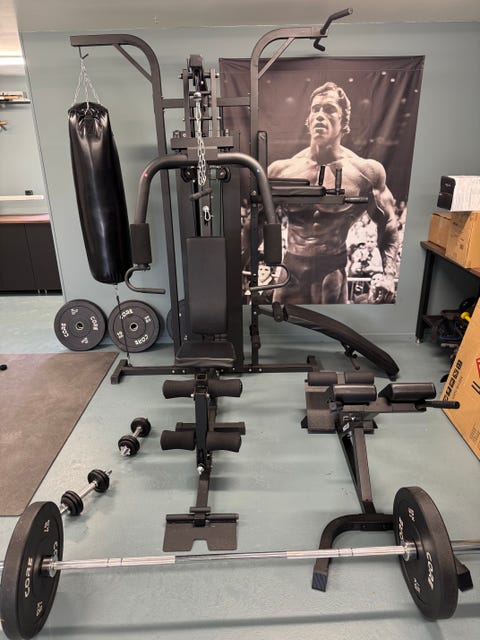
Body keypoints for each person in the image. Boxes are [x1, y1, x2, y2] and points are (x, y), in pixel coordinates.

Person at [268, 81, 399, 304]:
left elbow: (387, 223)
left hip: (331, 270)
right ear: (308, 119)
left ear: (344, 121)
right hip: (291, 269)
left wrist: (389, 275)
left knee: (330, 325)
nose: (320, 115)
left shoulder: (365, 172)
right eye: (315, 109)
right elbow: (255, 223)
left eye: (329, 109)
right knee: (278, 323)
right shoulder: (280, 171)